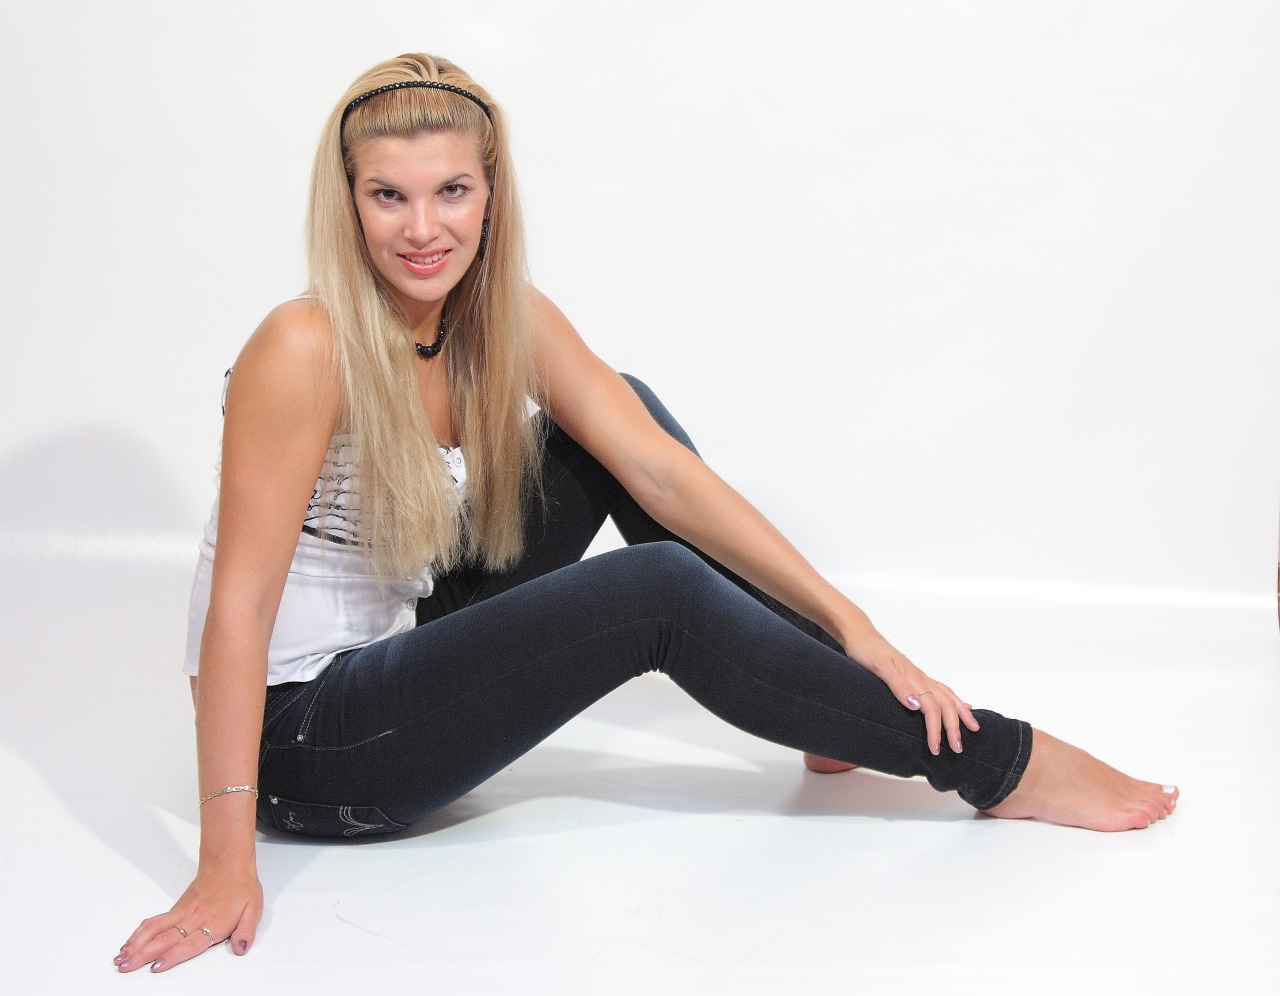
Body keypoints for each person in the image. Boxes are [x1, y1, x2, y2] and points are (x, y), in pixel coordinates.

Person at [116, 53, 1177, 974]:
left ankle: (833, 703)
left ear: (491, 194)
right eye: (388, 196)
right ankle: (998, 765)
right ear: (346, 201)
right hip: (311, 742)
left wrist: (855, 628)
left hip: (396, 645)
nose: (424, 228)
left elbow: (658, 475)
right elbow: (239, 611)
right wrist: (225, 861)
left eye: (451, 191)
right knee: (652, 593)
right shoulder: (303, 346)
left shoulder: (499, 318)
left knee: (624, 417)